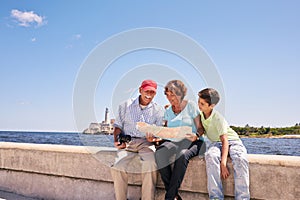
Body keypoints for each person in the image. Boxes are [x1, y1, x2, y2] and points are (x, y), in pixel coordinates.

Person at [110, 79, 164, 200]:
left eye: (153, 92)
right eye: (147, 91)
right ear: (140, 90)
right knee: (118, 166)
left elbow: (159, 132)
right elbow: (118, 126)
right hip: (127, 143)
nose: (149, 95)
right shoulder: (125, 106)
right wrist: (117, 140)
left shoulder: (159, 110)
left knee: (150, 164)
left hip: (146, 143)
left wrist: (154, 138)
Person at [154, 80, 204, 200]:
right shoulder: (167, 111)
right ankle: (174, 195)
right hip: (174, 141)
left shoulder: (191, 106)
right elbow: (166, 131)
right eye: (168, 95)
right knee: (160, 153)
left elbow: (201, 128)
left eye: (173, 95)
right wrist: (157, 137)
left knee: (182, 155)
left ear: (181, 94)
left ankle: (169, 197)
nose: (170, 98)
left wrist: (196, 135)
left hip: (193, 141)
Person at [198, 88, 250, 200]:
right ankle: (215, 197)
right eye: (199, 102)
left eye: (202, 104)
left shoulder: (218, 118)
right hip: (216, 143)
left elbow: (225, 141)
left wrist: (223, 163)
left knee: (240, 158)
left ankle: (243, 198)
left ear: (211, 105)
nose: (199, 105)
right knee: (210, 156)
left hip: (232, 141)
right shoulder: (201, 115)